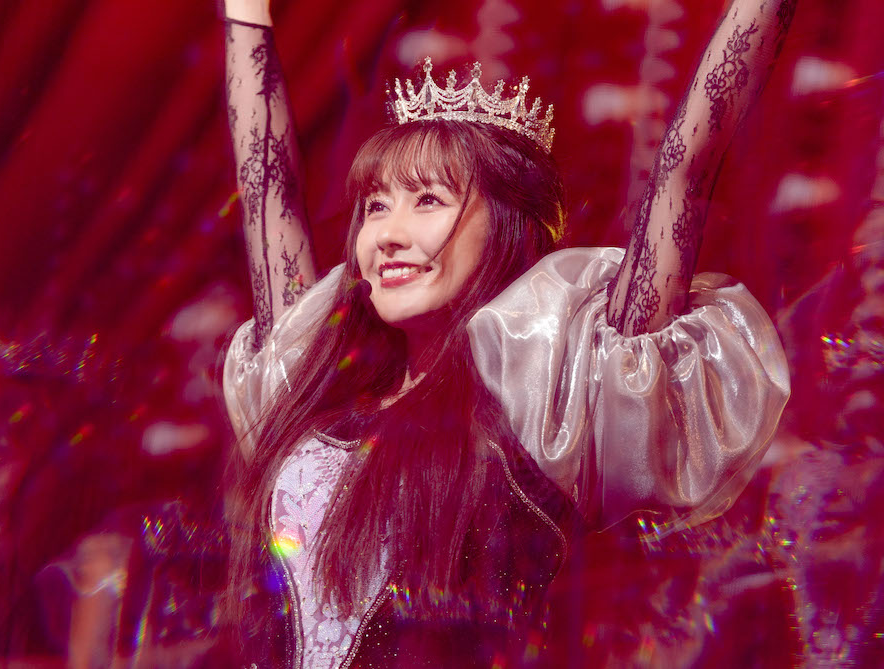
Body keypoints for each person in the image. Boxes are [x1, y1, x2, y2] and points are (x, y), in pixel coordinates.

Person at [218, 0, 794, 665]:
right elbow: (266, 190)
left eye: (428, 199)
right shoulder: (315, 385)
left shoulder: (548, 405)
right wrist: (245, 12)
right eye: (375, 205)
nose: (388, 234)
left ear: (507, 225)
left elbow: (684, 171)